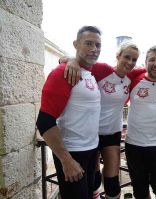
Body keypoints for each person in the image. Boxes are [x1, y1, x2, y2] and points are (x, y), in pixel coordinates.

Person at [61, 42, 142, 199]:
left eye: (134, 59)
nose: (130, 62)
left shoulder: (130, 77)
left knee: (112, 182)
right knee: (94, 179)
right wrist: (70, 60)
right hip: (91, 132)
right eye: (126, 57)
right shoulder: (102, 70)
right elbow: (73, 60)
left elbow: (151, 69)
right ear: (118, 56)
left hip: (112, 132)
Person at [36, 26, 102, 199]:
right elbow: (44, 121)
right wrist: (67, 160)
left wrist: (95, 160)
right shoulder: (62, 73)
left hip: (91, 151)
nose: (94, 49)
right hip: (72, 153)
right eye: (89, 43)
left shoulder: (91, 72)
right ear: (76, 44)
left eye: (98, 45)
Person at [125, 45, 156, 199]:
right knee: (140, 192)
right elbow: (114, 71)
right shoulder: (133, 79)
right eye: (152, 59)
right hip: (134, 146)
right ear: (145, 62)